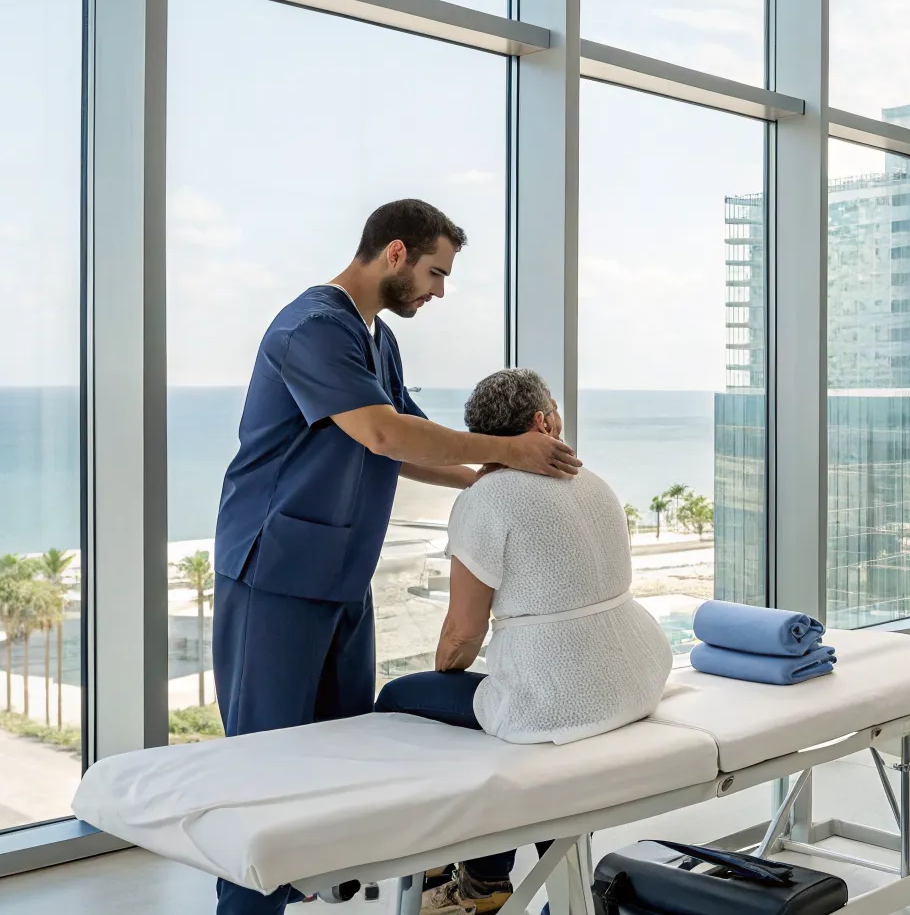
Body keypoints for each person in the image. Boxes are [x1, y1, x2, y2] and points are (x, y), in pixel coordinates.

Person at [210, 200, 582, 915]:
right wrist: (509, 450)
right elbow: (382, 435)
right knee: (260, 771)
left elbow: (412, 436)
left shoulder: (375, 338)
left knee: (352, 752)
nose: (439, 292)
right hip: (274, 574)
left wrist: (492, 481)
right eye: (437, 274)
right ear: (397, 254)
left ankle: (321, 876)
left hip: (341, 576)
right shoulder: (311, 329)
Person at [375, 368, 671, 915]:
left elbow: (463, 633)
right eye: (555, 407)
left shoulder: (486, 501)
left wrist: (448, 671)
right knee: (497, 725)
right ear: (541, 422)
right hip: (639, 675)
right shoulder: (594, 482)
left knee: (400, 700)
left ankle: (471, 875)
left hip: (560, 697)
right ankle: (507, 880)